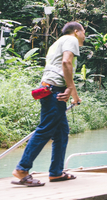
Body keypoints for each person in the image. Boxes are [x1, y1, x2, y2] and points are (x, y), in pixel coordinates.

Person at [12, 21, 85, 186]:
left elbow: (60, 68)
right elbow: (66, 63)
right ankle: (22, 169)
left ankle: (56, 173)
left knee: (61, 133)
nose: (84, 36)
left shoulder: (56, 43)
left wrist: (74, 94)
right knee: (44, 130)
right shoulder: (71, 40)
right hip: (54, 91)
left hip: (50, 89)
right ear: (76, 31)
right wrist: (70, 88)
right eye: (83, 32)